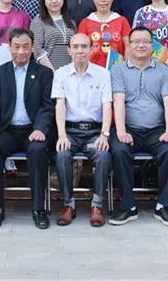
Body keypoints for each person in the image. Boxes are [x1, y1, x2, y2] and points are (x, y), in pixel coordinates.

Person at [0, 29, 54, 229]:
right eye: (16, 47)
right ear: (9, 47)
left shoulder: (44, 74)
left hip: (33, 130)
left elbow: (47, 106)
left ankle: (38, 209)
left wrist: (40, 129)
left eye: (25, 47)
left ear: (32, 48)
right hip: (7, 130)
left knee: (38, 150)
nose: (21, 51)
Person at [109, 27, 168, 227]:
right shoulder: (118, 70)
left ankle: (164, 206)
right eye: (136, 41)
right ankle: (128, 206)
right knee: (119, 151)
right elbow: (118, 101)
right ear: (129, 45)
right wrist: (121, 131)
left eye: (146, 41)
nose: (141, 45)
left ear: (152, 45)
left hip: (157, 130)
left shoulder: (165, 71)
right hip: (128, 128)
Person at [52, 33, 113, 227]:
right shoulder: (60, 73)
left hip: (94, 132)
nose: (80, 51)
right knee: (62, 154)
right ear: (69, 50)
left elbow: (107, 105)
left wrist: (104, 135)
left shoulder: (103, 74)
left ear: (92, 49)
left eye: (84, 46)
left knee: (103, 155)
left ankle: (97, 205)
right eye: (76, 47)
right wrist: (61, 135)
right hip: (70, 132)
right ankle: (68, 204)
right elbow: (60, 105)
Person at [78, 0, 131, 68]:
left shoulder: (122, 21)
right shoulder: (85, 22)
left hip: (116, 69)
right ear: (93, 0)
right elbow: (81, 47)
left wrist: (125, 67)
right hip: (91, 69)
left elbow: (128, 46)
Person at [31, 0, 76, 71]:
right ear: (44, 0)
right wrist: (52, 72)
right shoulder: (38, 21)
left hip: (69, 71)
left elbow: (75, 48)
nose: (54, 1)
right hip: (47, 71)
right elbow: (37, 49)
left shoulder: (71, 22)